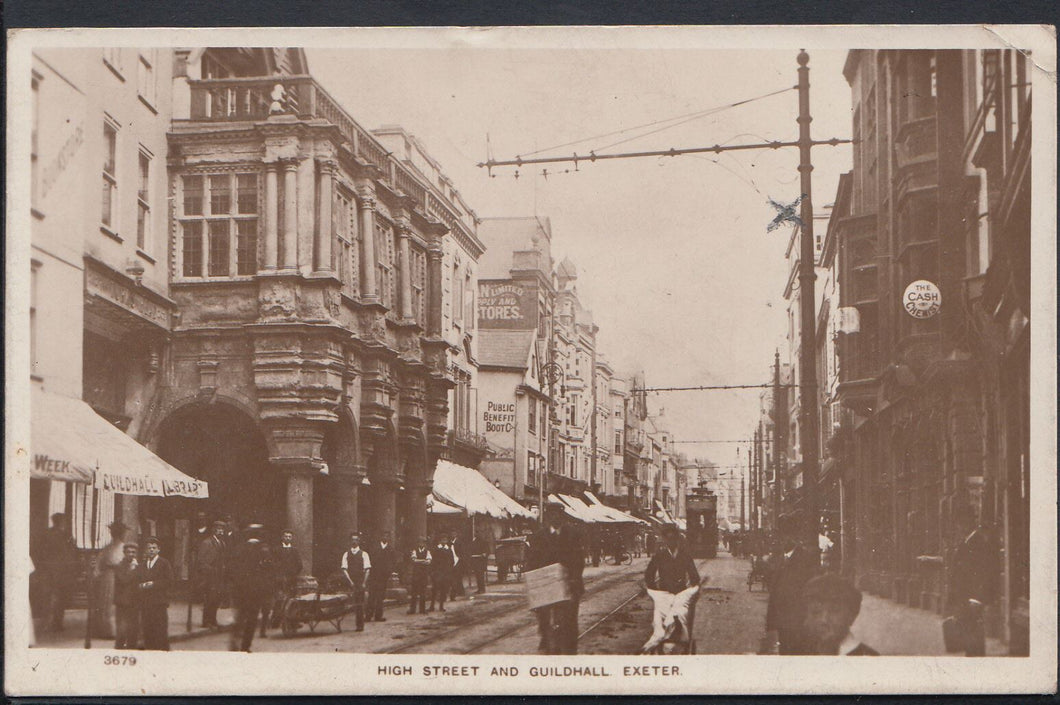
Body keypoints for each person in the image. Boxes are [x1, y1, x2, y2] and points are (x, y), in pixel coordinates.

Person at [527, 516, 586, 654]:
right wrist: (534, 580)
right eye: (552, 514)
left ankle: (571, 648)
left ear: (562, 516)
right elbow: (533, 560)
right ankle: (547, 644)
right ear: (548, 517)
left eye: (558, 514)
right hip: (547, 586)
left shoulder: (573, 534)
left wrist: (573, 578)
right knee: (544, 618)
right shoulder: (539, 536)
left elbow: (579, 559)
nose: (555, 518)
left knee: (570, 618)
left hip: (569, 584)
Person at [763, 514, 820, 655]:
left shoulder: (805, 559)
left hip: (798, 624)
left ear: (794, 536)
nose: (782, 539)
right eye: (781, 535)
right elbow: (775, 592)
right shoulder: (781, 559)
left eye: (786, 534)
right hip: (784, 624)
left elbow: (811, 593)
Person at [642, 525, 701, 653]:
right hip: (664, 592)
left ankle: (677, 633)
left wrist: (692, 588)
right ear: (665, 540)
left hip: (680, 592)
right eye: (669, 539)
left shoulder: (685, 556)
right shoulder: (660, 555)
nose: (671, 542)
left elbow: (694, 576)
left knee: (680, 614)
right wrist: (655, 590)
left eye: (673, 539)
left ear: (677, 540)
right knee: (660, 616)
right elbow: (649, 574)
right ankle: (661, 636)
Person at [946, 524, 998, 657]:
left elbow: (983, 572)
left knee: (973, 631)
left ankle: (975, 661)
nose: (959, 527)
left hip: (971, 598)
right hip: (965, 596)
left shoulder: (977, 542)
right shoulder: (967, 541)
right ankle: (972, 657)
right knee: (969, 631)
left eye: (962, 522)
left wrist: (977, 598)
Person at [801, 573, 878, 655]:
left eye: (834, 611)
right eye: (816, 612)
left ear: (852, 616)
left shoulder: (867, 657)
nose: (823, 620)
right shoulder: (801, 651)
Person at [227, 524, 273, 652]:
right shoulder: (264, 550)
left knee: (240, 617)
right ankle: (245, 646)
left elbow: (231, 569)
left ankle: (235, 640)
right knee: (252, 619)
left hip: (240, 590)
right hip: (256, 592)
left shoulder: (239, 548)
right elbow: (269, 571)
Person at [37, 513, 78, 633]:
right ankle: (56, 623)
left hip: (49, 570)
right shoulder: (65, 535)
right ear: (61, 522)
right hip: (61, 571)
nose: (64, 524)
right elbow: (70, 552)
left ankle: (47, 623)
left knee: (50, 597)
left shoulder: (47, 534)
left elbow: (41, 552)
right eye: (63, 521)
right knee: (60, 598)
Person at [91, 520, 128, 639]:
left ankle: (111, 630)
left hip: (110, 577)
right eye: (123, 533)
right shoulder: (121, 548)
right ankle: (112, 630)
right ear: (120, 534)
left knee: (108, 603)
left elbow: (97, 565)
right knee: (113, 602)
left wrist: (98, 575)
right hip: (115, 576)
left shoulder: (107, 548)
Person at [137, 536, 173, 651]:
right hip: (146, 603)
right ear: (145, 550)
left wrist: (153, 584)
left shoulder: (164, 563)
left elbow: (169, 581)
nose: (151, 550)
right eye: (149, 548)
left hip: (159, 602)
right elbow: (137, 579)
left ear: (159, 550)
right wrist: (140, 585)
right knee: (148, 630)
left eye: (154, 548)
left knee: (160, 630)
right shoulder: (142, 565)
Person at [264, 529, 302, 633]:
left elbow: (299, 564)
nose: (288, 538)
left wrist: (293, 574)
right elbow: (273, 564)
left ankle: (293, 622)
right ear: (282, 537)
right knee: (279, 599)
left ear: (292, 538)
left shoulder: (294, 550)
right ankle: (275, 622)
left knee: (292, 600)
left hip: (291, 579)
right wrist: (279, 574)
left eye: (290, 537)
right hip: (280, 579)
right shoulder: (276, 550)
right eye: (286, 536)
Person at [195, 519, 228, 629]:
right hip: (209, 576)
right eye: (218, 529)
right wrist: (209, 571)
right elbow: (201, 561)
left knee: (216, 599)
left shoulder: (222, 543)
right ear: (214, 530)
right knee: (209, 599)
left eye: (222, 530)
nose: (220, 532)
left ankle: (213, 620)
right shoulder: (207, 543)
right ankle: (206, 621)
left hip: (219, 576)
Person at [113, 543, 141, 649]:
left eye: (133, 552)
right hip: (122, 601)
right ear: (124, 553)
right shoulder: (119, 566)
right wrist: (134, 569)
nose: (131, 554)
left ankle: (131, 648)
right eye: (129, 552)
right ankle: (119, 648)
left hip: (134, 601)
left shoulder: (138, 566)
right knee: (122, 628)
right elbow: (124, 580)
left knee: (134, 627)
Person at [340, 533, 370, 631]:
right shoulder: (346, 554)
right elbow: (344, 569)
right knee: (348, 603)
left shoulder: (364, 554)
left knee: (359, 604)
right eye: (352, 539)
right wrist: (350, 581)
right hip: (350, 580)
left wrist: (364, 582)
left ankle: (359, 625)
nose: (354, 541)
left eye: (356, 540)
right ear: (350, 541)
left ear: (359, 541)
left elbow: (367, 569)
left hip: (360, 581)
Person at [367, 531, 397, 622]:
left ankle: (378, 616)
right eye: (383, 535)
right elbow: (370, 560)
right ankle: (368, 615)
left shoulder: (391, 549)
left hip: (383, 577)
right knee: (371, 596)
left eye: (387, 536)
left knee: (380, 596)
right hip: (374, 575)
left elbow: (393, 562)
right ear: (380, 537)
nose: (385, 537)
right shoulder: (374, 548)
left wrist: (389, 572)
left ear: (389, 538)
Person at [407, 536, 432, 615]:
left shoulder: (427, 551)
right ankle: (412, 609)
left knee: (423, 593)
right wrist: (423, 560)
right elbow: (414, 560)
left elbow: (428, 561)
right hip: (416, 575)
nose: (422, 544)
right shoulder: (415, 551)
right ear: (418, 543)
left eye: (423, 542)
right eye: (420, 542)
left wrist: (420, 561)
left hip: (423, 575)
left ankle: (422, 609)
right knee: (414, 593)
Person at [428, 534, 454, 613]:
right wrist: (432, 572)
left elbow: (452, 561)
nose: (444, 541)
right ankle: (432, 606)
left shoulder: (449, 550)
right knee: (434, 589)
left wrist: (448, 570)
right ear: (439, 541)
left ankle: (441, 606)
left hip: (445, 573)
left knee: (443, 590)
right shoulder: (435, 549)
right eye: (442, 539)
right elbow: (432, 561)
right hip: (437, 573)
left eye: (445, 540)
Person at [449, 532, 466, 599]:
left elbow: (463, 552)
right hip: (451, 561)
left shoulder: (460, 542)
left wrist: (460, 559)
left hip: (458, 561)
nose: (452, 535)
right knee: (454, 577)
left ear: (456, 534)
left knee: (458, 577)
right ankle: (457, 591)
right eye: (451, 534)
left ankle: (460, 591)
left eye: (454, 534)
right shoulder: (449, 543)